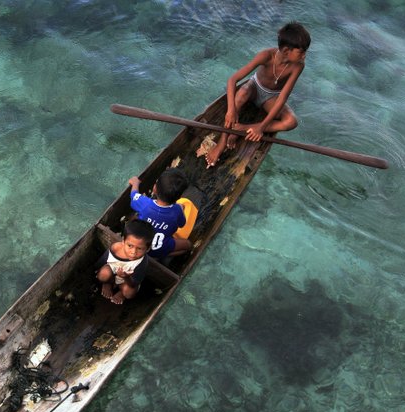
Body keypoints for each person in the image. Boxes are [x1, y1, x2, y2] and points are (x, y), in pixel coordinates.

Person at [202, 21, 311, 168]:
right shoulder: (266, 56)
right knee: (241, 95)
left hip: (272, 97)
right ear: (286, 51)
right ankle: (222, 142)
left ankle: (242, 128)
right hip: (254, 87)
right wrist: (231, 110)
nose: (304, 56)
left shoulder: (298, 66)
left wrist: (261, 127)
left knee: (291, 121)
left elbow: (283, 97)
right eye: (301, 52)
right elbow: (232, 80)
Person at [129, 168, 192, 259]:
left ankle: (152, 256)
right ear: (179, 197)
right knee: (188, 245)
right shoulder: (177, 210)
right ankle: (164, 255)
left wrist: (135, 183)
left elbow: (133, 194)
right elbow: (182, 224)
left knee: (136, 216)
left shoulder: (144, 203)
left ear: (154, 188)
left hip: (139, 246)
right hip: (160, 247)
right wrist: (181, 207)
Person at [96, 219, 155, 305]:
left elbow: (134, 284)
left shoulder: (142, 262)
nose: (133, 252)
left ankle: (121, 293)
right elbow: (102, 262)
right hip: (112, 272)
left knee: (129, 293)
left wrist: (126, 277)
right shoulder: (115, 248)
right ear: (123, 241)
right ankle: (107, 283)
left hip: (128, 280)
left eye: (139, 248)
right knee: (102, 275)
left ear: (148, 249)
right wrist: (99, 273)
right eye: (130, 246)